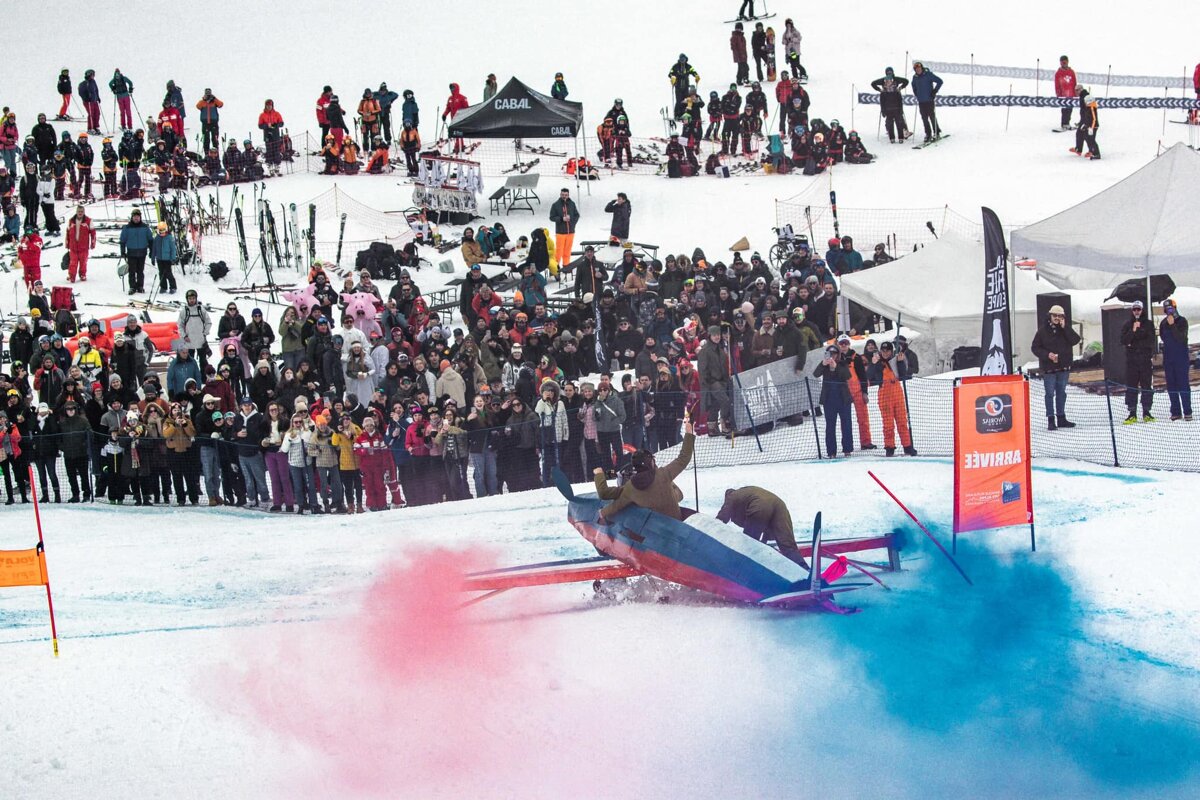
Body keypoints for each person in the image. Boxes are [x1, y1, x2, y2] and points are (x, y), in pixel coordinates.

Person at [593, 420, 695, 523]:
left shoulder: (631, 487)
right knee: (676, 492)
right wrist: (689, 433)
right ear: (651, 463)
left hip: (655, 528)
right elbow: (684, 458)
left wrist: (602, 512)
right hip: (676, 523)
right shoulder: (664, 474)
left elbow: (614, 504)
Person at [717, 486, 809, 568]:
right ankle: (804, 569)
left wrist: (712, 528)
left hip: (758, 504)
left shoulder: (732, 497)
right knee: (787, 544)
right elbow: (765, 524)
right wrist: (763, 543)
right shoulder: (747, 492)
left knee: (749, 543)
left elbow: (721, 518)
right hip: (779, 505)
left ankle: (746, 570)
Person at [1031, 304, 1081, 430]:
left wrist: (1066, 328)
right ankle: (1050, 419)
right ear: (1050, 316)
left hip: (1063, 366)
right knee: (1049, 394)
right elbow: (1035, 347)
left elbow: (1076, 340)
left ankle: (1061, 417)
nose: (1057, 318)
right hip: (1049, 368)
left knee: (1061, 393)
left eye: (1060, 316)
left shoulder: (1065, 330)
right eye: (1055, 315)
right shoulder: (1042, 331)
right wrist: (1047, 355)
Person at [868, 340, 918, 455]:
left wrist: (900, 362)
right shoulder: (877, 362)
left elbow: (903, 375)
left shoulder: (896, 360)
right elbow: (870, 376)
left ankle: (907, 446)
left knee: (902, 422)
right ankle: (889, 448)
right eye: (883, 351)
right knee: (888, 424)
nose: (885, 353)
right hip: (884, 396)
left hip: (897, 394)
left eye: (888, 351)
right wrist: (873, 363)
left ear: (891, 351)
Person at [814, 344, 853, 458]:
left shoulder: (842, 363)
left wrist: (836, 367)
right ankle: (831, 452)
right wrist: (823, 364)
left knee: (846, 424)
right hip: (829, 400)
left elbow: (847, 376)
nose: (832, 356)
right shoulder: (824, 365)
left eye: (834, 354)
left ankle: (847, 449)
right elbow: (816, 374)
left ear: (838, 354)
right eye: (830, 354)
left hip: (843, 399)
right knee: (830, 426)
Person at [1120, 301, 1155, 423]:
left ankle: (1146, 411)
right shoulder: (1127, 324)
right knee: (1131, 387)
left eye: (1138, 309)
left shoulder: (1149, 324)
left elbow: (1150, 341)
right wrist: (1133, 331)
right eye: (1134, 309)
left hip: (1145, 361)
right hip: (1132, 362)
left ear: (1142, 310)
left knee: (1146, 386)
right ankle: (1132, 412)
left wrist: (1136, 338)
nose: (1136, 312)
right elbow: (1124, 341)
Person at [1159, 298, 1191, 421]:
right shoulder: (1163, 323)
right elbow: (1163, 337)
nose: (1169, 312)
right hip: (1168, 359)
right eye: (1167, 310)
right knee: (1171, 386)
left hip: (1181, 358)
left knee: (1183, 385)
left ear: (1175, 308)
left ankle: (1187, 411)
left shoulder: (1182, 321)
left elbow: (1181, 338)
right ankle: (1176, 412)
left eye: (1171, 309)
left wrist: (1172, 325)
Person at [698, 325, 732, 436]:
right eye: (714, 335)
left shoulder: (721, 350)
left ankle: (712, 429)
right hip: (712, 382)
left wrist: (726, 380)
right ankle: (724, 424)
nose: (717, 337)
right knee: (725, 401)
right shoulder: (705, 351)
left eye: (718, 335)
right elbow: (702, 370)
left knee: (715, 404)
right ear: (709, 336)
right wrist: (708, 383)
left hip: (721, 381)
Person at [119, 208, 153, 294]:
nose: (136, 218)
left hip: (142, 252)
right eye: (134, 216)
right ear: (132, 217)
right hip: (131, 252)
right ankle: (132, 287)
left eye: (138, 216)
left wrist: (152, 251)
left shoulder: (145, 227)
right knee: (132, 271)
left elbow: (150, 239)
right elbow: (122, 240)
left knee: (140, 271)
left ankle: (140, 286)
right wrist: (122, 251)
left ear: (140, 217)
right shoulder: (127, 228)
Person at [549, 188, 579, 276]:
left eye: (566, 195)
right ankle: (555, 268)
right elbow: (551, 217)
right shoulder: (555, 205)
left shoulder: (572, 204)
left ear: (568, 195)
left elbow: (577, 215)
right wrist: (562, 219)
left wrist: (572, 222)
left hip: (570, 231)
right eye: (562, 195)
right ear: (560, 194)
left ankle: (566, 266)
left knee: (567, 250)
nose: (564, 196)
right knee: (559, 251)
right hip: (560, 232)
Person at [911, 61, 943, 143]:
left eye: (919, 68)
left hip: (929, 100)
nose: (918, 70)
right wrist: (916, 93)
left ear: (921, 68)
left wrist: (934, 91)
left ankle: (937, 132)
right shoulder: (915, 77)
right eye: (916, 69)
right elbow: (913, 85)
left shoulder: (928, 75)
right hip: (921, 101)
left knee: (931, 116)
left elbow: (940, 81)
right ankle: (928, 134)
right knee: (924, 118)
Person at [65, 203, 95, 282]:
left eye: (81, 211)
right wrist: (67, 243)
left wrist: (93, 243)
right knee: (73, 263)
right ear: (76, 211)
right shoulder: (71, 221)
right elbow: (67, 232)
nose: (80, 213)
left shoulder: (88, 221)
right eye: (79, 211)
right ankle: (72, 276)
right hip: (73, 246)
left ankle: (82, 275)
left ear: (84, 212)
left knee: (83, 262)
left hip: (83, 247)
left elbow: (93, 233)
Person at [1070, 85, 1100, 160]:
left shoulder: (1090, 105)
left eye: (1077, 90)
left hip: (1091, 125)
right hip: (1086, 122)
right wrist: (1082, 122)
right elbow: (1086, 115)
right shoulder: (1087, 105)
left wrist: (1091, 127)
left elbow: (1093, 118)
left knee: (1090, 138)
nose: (1076, 92)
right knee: (1083, 135)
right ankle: (1081, 149)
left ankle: (1095, 153)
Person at [150, 220, 178, 294]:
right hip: (159, 259)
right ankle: (163, 287)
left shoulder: (169, 238)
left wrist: (173, 258)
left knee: (168, 273)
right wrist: (153, 258)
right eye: (160, 231)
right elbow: (154, 249)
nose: (162, 232)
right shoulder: (156, 238)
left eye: (163, 230)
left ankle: (173, 287)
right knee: (161, 273)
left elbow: (173, 249)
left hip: (167, 259)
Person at [1054, 56, 1078, 131]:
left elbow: (1074, 82)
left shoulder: (1071, 72)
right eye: (1062, 62)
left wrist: (1076, 92)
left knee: (1070, 109)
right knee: (1064, 109)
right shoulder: (1058, 73)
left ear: (1067, 62)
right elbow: (1057, 84)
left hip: (1071, 94)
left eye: (1065, 62)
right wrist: (1058, 94)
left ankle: (1067, 123)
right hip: (1063, 95)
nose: (1064, 63)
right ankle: (1064, 124)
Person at [196, 88, 223, 153]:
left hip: (214, 123)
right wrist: (204, 99)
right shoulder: (202, 102)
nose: (208, 95)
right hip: (205, 123)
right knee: (206, 140)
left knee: (215, 139)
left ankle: (216, 154)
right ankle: (206, 154)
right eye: (207, 94)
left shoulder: (214, 101)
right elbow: (198, 106)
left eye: (209, 94)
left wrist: (214, 98)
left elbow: (221, 104)